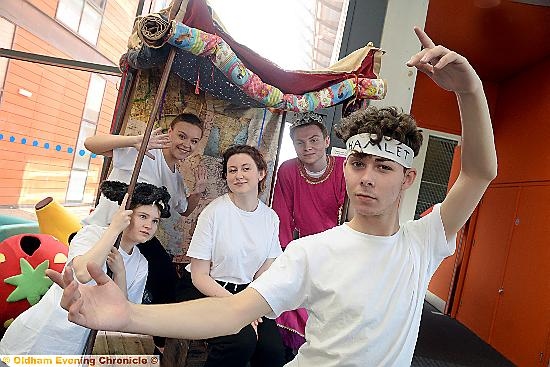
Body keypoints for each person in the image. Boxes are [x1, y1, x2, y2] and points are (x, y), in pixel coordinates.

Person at [48, 27, 497, 366]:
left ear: (407, 177)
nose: (367, 178)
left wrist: (469, 89)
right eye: (358, 164)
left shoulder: (422, 242)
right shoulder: (311, 251)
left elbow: (479, 172)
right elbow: (230, 312)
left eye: (383, 168)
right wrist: (128, 316)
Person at [83, 112, 206, 354]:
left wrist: (199, 192)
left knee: (169, 280)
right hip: (106, 231)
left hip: (137, 240)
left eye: (194, 141)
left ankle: (159, 343)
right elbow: (90, 144)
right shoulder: (143, 151)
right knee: (91, 287)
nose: (186, 145)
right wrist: (133, 140)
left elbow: (183, 211)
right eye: (181, 136)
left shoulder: (177, 179)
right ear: (169, 132)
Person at [0, 181, 171, 355]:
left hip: (73, 344)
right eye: (143, 216)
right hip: (41, 332)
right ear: (125, 214)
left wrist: (120, 272)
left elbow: (124, 312)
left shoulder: (141, 263)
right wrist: (114, 230)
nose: (149, 225)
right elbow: (82, 274)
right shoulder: (92, 234)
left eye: (155, 221)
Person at [176, 145, 285, 367]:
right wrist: (239, 306)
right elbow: (199, 276)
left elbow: (266, 268)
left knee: (272, 350)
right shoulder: (214, 213)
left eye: (246, 168)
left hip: (246, 294)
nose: (239, 175)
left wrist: (250, 305)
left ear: (261, 173)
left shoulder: (270, 218)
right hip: (206, 291)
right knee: (240, 341)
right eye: (232, 170)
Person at [271, 112, 346, 353]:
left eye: (314, 140)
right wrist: (282, 256)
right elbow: (281, 215)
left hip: (339, 251)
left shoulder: (344, 169)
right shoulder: (288, 170)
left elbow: (351, 216)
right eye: (300, 143)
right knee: (288, 296)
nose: (308, 147)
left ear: (326, 141)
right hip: (304, 250)